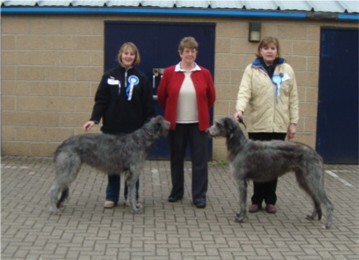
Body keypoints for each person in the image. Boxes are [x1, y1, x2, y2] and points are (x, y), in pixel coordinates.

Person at [83, 42, 155, 208]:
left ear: (135, 57)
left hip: (135, 132)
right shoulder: (109, 76)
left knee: (133, 167)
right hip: (112, 129)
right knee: (112, 164)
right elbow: (101, 100)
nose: (128, 56)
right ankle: (111, 196)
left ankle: (132, 196)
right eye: (125, 53)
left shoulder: (142, 78)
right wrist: (94, 119)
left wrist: (149, 127)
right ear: (120, 55)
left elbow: (148, 106)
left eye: (132, 54)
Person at [233, 36, 299, 214]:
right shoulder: (251, 69)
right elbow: (244, 91)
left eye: (273, 48)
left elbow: (293, 98)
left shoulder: (287, 70)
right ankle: (256, 200)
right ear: (260, 51)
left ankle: (270, 200)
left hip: (278, 126)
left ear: (277, 51)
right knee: (257, 164)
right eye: (266, 48)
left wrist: (293, 123)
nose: (269, 51)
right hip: (258, 125)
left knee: (275, 165)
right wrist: (239, 110)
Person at [157, 36, 216, 209]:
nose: (190, 54)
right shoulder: (169, 72)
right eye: (187, 51)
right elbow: (162, 97)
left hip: (198, 124)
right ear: (180, 53)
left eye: (193, 51)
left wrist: (202, 111)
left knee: (200, 161)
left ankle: (199, 196)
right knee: (176, 159)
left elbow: (211, 97)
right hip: (176, 124)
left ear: (196, 53)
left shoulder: (204, 73)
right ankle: (177, 192)